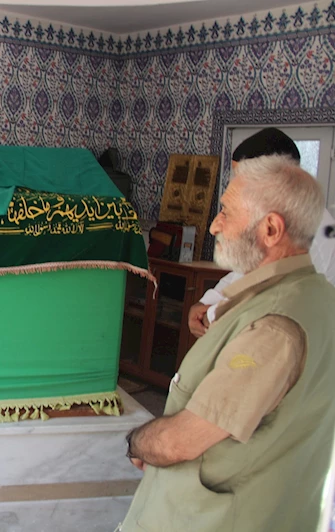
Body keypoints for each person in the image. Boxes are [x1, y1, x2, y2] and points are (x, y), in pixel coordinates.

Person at [119, 155, 335, 531]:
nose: (215, 224)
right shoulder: (316, 296)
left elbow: (179, 442)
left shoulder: (274, 328)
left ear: (271, 229)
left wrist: (139, 441)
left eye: (226, 212)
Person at [189, 127, 335, 337]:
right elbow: (244, 273)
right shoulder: (268, 218)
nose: (237, 185)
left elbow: (275, 293)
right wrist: (207, 302)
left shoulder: (311, 226)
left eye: (243, 178)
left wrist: (211, 314)